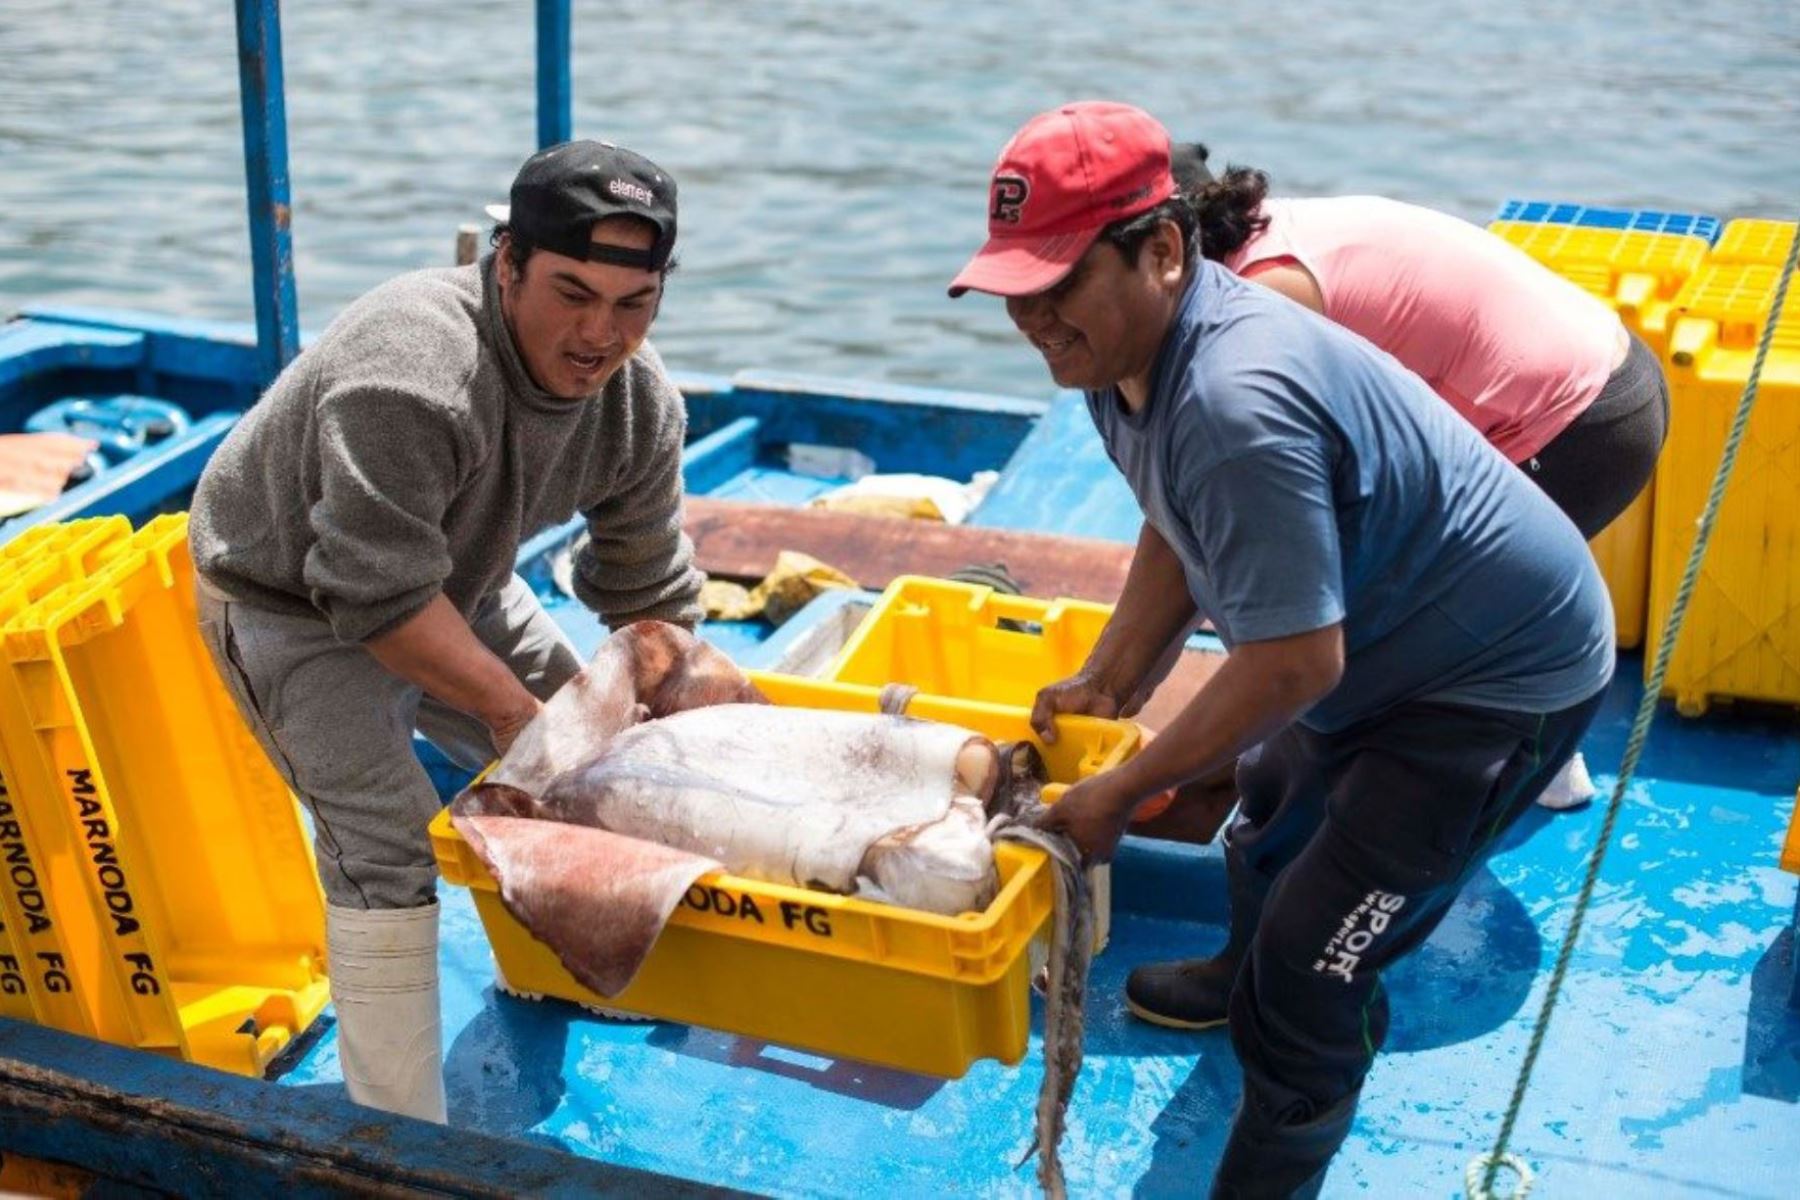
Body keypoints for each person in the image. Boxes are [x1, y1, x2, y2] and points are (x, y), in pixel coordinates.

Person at [949, 102, 1615, 1197]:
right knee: (1264, 823)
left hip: (1498, 689)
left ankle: (1273, 1162)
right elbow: (1177, 520)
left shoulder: (1233, 395)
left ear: (1163, 251)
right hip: (1387, 637)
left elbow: (1296, 664)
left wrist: (1120, 790)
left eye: (1057, 284)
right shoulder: (1120, 359)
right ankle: (1229, 974)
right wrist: (1114, 676)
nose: (1032, 318)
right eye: (1015, 288)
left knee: (1314, 970)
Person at [187, 139, 704, 1122]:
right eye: (571, 292)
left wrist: (667, 728)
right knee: (384, 846)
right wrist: (524, 721)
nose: (600, 334)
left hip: (458, 582)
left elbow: (650, 593)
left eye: (634, 305)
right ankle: (398, 1136)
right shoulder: (413, 373)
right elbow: (375, 600)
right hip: (290, 602)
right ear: (506, 263)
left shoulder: (641, 406)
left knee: (603, 768)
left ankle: (557, 965)